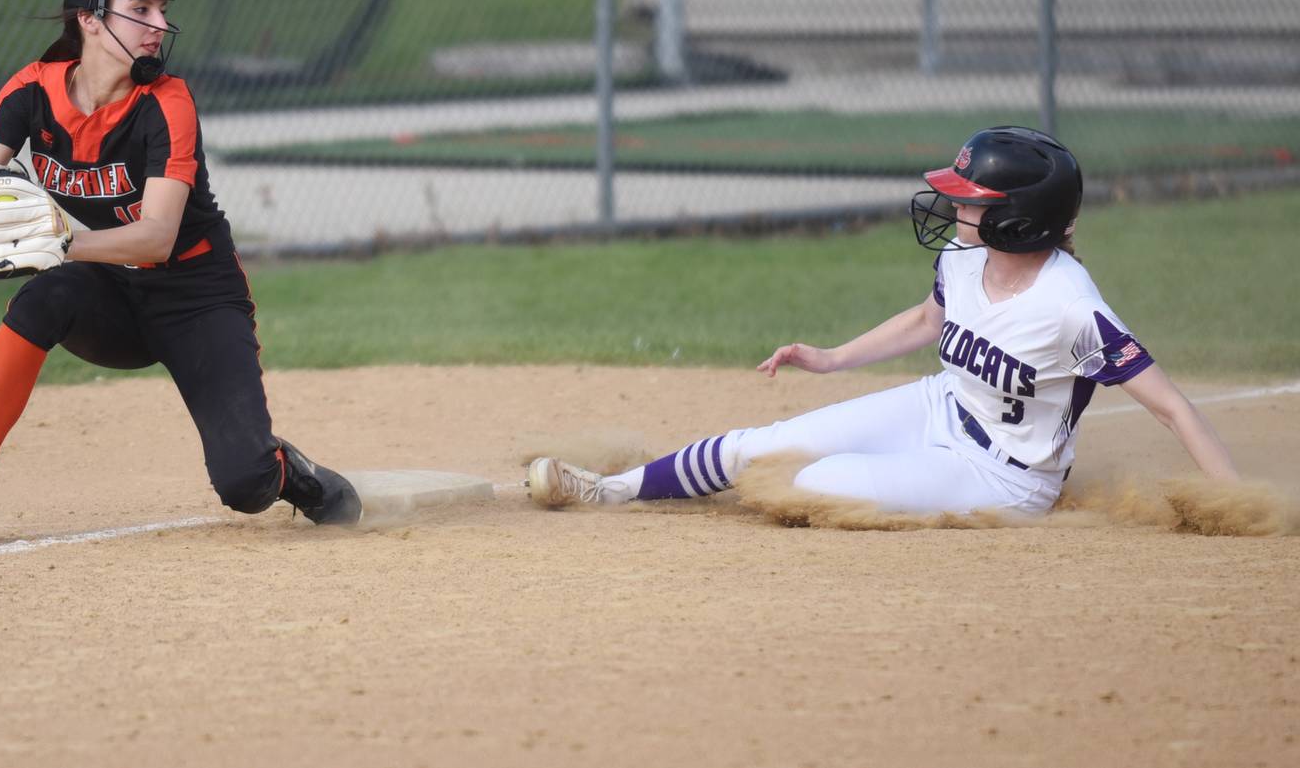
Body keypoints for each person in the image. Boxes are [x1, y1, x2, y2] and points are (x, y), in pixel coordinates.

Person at [0, 0, 361, 550]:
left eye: (161, 12)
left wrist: (59, 242)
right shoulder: (31, 91)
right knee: (44, 296)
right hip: (107, 293)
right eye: (139, 10)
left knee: (244, 484)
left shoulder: (167, 103)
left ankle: (286, 471)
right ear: (89, 19)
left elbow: (157, 235)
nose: (157, 25)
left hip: (194, 295)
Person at [527, 126, 1240, 515]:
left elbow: (1173, 406)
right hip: (939, 406)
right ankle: (606, 489)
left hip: (1005, 478)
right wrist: (833, 358)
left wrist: (1240, 504)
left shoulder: (1071, 306)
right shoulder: (966, 259)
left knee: (815, 482)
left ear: (1021, 220)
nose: (956, 208)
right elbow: (928, 318)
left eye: (972, 199)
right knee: (767, 445)